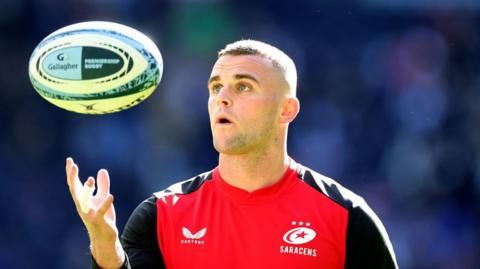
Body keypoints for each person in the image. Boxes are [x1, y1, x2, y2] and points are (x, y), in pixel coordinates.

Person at [66, 39, 398, 269]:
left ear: (286, 110)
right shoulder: (161, 215)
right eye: (215, 87)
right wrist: (105, 249)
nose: (222, 98)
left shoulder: (348, 218)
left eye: (243, 86)